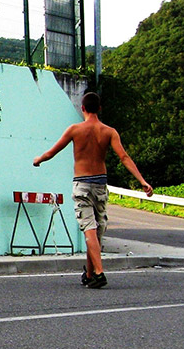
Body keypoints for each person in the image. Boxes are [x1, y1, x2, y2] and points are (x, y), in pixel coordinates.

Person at [33, 91, 153, 288]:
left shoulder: (74, 129)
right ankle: (89, 274)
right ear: (99, 108)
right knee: (96, 232)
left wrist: (38, 160)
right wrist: (142, 181)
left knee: (89, 229)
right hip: (100, 184)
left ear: (82, 108)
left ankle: (99, 272)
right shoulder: (109, 132)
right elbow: (124, 157)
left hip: (82, 183)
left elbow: (52, 152)